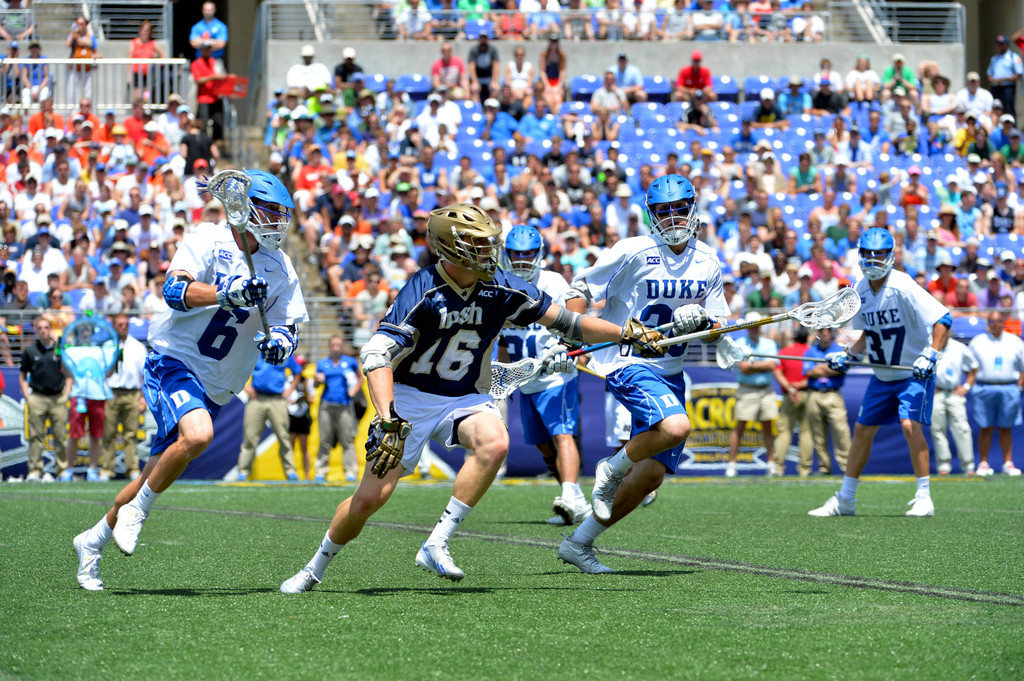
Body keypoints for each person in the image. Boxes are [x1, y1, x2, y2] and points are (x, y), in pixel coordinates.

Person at [280, 203, 663, 591]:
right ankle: (315, 567)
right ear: (451, 246)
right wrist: (386, 416)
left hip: (466, 395)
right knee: (369, 500)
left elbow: (571, 323)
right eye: (478, 244)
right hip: (411, 397)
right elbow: (376, 355)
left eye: (487, 243)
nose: (488, 251)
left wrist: (625, 333)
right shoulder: (423, 288)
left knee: (495, 442)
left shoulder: (501, 286)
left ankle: (437, 542)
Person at [71, 170, 307, 591]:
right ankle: (138, 514)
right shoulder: (208, 238)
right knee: (198, 436)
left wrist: (280, 347)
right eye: (270, 210)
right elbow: (174, 292)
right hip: (174, 359)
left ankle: (91, 541)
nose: (277, 221)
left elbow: (289, 326)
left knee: (151, 474)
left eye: (282, 213)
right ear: (247, 206)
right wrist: (225, 293)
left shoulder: (281, 268)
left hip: (217, 384)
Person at [558, 175, 729, 573]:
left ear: (693, 209)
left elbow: (719, 324)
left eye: (679, 208)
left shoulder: (707, 259)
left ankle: (579, 543)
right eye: (663, 210)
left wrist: (703, 319)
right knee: (675, 428)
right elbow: (580, 286)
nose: (672, 217)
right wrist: (575, 325)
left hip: (670, 371)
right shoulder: (634, 251)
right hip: (628, 361)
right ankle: (610, 469)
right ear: (651, 214)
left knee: (650, 476)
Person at [811, 228, 952, 518]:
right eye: (868, 254)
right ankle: (846, 499)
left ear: (890, 256)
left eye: (879, 255)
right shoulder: (860, 289)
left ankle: (924, 497)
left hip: (913, 373)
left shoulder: (902, 285)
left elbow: (943, 318)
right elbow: (867, 335)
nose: (873, 260)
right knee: (862, 430)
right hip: (883, 375)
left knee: (909, 425)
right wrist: (849, 356)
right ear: (860, 254)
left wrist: (932, 353)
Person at [498, 223, 589, 525]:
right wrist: (503, 373)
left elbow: (575, 319)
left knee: (562, 434)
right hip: (526, 378)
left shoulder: (553, 281)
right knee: (543, 446)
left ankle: (569, 496)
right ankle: (574, 500)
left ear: (539, 254)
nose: (522, 261)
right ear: (506, 255)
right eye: (516, 254)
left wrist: (569, 346)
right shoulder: (498, 284)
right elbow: (496, 339)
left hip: (556, 374)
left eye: (528, 255)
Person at [967, 311, 1024, 477]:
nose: (995, 324)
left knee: (1006, 428)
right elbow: (969, 366)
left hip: (1009, 388)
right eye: (992, 321)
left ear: (1003, 322)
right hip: (984, 388)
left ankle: (1008, 463)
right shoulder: (977, 342)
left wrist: (1019, 386)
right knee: (986, 427)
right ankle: (983, 463)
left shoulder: (1015, 341)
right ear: (987, 323)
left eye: (999, 321)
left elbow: (1022, 367)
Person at [725, 314, 779, 478]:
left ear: (760, 327)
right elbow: (743, 367)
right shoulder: (740, 344)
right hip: (747, 389)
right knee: (740, 427)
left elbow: (772, 364)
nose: (754, 329)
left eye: (756, 326)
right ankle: (732, 464)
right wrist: (762, 365)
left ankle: (771, 464)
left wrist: (753, 364)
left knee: (768, 426)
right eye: (751, 326)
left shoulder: (769, 343)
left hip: (765, 389)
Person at [20, 314, 71, 483]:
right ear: (35, 329)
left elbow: (69, 374)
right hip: (37, 397)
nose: (43, 331)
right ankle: (34, 470)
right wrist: (27, 396)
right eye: (39, 328)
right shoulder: (30, 350)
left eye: (46, 327)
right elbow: (22, 375)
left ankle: (62, 471)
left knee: (60, 436)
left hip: (58, 398)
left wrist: (66, 395)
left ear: (51, 329)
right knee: (36, 437)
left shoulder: (59, 349)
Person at [237, 354, 302, 482]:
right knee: (250, 438)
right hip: (257, 399)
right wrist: (245, 387)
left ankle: (290, 471)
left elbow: (298, 371)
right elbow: (238, 369)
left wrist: (290, 390)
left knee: (283, 437)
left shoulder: (283, 353)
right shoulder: (255, 352)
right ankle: (243, 472)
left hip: (277, 400)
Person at [100, 313, 146, 482]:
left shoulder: (137, 346)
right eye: (119, 324)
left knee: (131, 434)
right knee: (108, 433)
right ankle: (106, 469)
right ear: (113, 325)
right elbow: (101, 373)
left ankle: (132, 468)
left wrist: (144, 397)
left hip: (131, 393)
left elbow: (144, 375)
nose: (123, 327)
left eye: (125, 324)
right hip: (110, 392)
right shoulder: (107, 345)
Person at [800, 326, 850, 476]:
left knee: (841, 431)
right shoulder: (811, 351)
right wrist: (829, 367)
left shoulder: (839, 350)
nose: (825, 333)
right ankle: (824, 467)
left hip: (833, 394)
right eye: (822, 330)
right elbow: (809, 371)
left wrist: (821, 367)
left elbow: (841, 368)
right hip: (814, 394)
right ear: (818, 333)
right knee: (818, 433)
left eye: (828, 330)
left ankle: (847, 466)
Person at [314, 334, 364, 483]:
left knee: (347, 440)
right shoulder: (323, 363)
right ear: (330, 346)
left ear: (342, 346)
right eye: (334, 345)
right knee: (324, 439)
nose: (336, 348)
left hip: (344, 405)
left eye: (339, 345)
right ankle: (321, 471)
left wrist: (354, 391)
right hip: (326, 405)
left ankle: (350, 471)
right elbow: (316, 385)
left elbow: (360, 377)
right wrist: (317, 380)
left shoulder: (350, 362)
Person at [930, 338, 977, 476]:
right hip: (936, 393)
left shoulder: (960, 347)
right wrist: (927, 385)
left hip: (954, 393)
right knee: (937, 429)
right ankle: (943, 466)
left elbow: (973, 367)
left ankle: (968, 466)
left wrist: (966, 386)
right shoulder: (928, 345)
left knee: (962, 428)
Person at [772, 327, 808, 477]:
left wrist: (790, 388)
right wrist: (799, 386)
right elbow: (814, 373)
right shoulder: (810, 352)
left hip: (789, 395)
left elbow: (777, 371)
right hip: (806, 393)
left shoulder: (784, 352)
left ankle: (778, 468)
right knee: (806, 433)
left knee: (785, 432)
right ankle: (805, 470)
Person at [287, 355, 315, 480]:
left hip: (303, 415)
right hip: (292, 414)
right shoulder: (289, 379)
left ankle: (306, 475)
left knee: (304, 448)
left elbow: (312, 398)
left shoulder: (307, 381)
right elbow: (288, 397)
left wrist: (305, 395)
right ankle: (291, 473)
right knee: (290, 446)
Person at [127, 20, 165, 102]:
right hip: (136, 72)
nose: (145, 32)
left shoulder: (152, 43)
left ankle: (145, 111)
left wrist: (156, 64)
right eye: (143, 30)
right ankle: (138, 111)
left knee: (146, 95)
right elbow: (129, 59)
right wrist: (128, 75)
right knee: (136, 96)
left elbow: (162, 55)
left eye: (147, 30)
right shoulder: (134, 42)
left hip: (148, 73)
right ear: (140, 30)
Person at [987, 35, 1022, 119]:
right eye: (997, 44)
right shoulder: (994, 58)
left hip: (1007, 88)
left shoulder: (1013, 57)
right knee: (995, 109)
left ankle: (1011, 130)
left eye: (1000, 44)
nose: (998, 46)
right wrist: (992, 79)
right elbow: (989, 73)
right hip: (996, 87)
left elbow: (1018, 74)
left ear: (1006, 45)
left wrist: (1003, 79)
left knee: (1008, 109)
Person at [65, 16, 97, 105]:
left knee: (88, 91)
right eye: (78, 23)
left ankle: (87, 109)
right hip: (74, 67)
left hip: (87, 68)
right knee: (72, 91)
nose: (80, 26)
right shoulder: (73, 36)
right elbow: (67, 44)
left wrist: (86, 43)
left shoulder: (90, 37)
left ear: (86, 25)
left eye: (82, 24)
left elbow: (95, 52)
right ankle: (71, 111)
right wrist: (72, 32)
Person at [189, 1, 228, 68]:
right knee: (198, 78)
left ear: (214, 10)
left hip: (216, 60)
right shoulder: (197, 27)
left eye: (210, 10)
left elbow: (221, 44)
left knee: (217, 78)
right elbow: (193, 43)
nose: (208, 12)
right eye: (206, 10)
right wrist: (213, 41)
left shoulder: (221, 26)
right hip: (200, 61)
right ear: (202, 10)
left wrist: (202, 41)